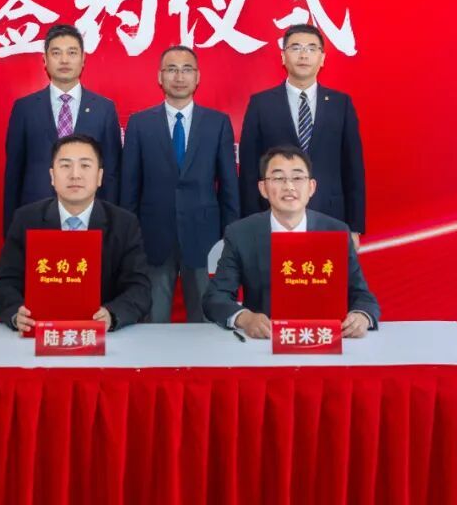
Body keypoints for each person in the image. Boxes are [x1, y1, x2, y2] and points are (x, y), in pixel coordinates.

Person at [203, 145, 379, 339]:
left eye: (297, 178)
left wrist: (361, 316)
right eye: (278, 178)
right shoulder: (241, 234)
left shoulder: (336, 231)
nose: (289, 186)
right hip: (265, 342)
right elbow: (215, 298)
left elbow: (363, 296)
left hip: (324, 340)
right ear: (263, 188)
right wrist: (245, 318)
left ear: (311, 187)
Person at [120, 46, 239, 322]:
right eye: (171, 69)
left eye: (187, 69)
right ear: (159, 77)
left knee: (206, 321)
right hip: (153, 239)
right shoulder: (139, 124)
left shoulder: (217, 123)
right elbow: (130, 188)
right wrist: (130, 239)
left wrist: (230, 238)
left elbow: (229, 188)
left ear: (197, 77)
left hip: (205, 237)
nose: (179, 76)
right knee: (153, 322)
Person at [0, 134, 150, 333]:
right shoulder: (26, 220)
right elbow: (3, 284)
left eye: (85, 165)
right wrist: (16, 313)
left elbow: (139, 289)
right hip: (40, 334)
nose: (75, 175)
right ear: (52, 176)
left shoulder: (124, 224)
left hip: (104, 339)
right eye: (65, 165)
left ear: (99, 177)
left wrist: (112, 315)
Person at [238, 23, 366, 248]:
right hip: (274, 219)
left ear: (322, 58)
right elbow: (249, 171)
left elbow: (353, 168)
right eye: (296, 47)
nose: (304, 55)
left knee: (326, 272)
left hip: (330, 218)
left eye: (311, 48)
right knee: (275, 273)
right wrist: (250, 225)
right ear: (283, 56)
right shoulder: (261, 104)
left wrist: (354, 227)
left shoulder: (341, 104)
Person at [2, 24, 122, 236]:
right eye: (56, 53)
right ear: (45, 60)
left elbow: (111, 173)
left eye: (72, 53)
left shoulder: (104, 109)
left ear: (83, 59)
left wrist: (112, 226)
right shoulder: (25, 108)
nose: (64, 60)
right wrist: (11, 229)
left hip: (90, 219)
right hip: (36, 217)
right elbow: (14, 172)